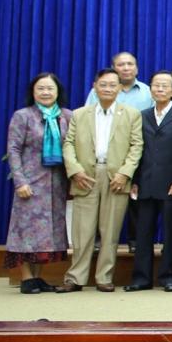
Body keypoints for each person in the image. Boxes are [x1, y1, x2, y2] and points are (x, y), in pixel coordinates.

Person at [58, 68, 144, 292]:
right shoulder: (79, 114)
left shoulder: (131, 114)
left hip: (116, 177)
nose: (107, 89)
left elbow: (137, 146)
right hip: (85, 176)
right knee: (82, 231)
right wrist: (75, 170)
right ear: (95, 87)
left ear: (119, 88)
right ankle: (75, 277)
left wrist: (125, 173)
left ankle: (104, 277)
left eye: (112, 85)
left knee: (111, 231)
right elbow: (68, 144)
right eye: (103, 84)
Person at [126, 71, 172, 292]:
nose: (160, 89)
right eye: (156, 85)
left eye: (165, 86)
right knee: (142, 234)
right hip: (145, 183)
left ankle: (170, 277)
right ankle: (141, 278)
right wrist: (134, 180)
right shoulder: (141, 115)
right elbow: (135, 149)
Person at [5, 73, 72, 294]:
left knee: (47, 233)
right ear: (33, 92)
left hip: (57, 184)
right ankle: (26, 278)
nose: (45, 92)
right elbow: (13, 150)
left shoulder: (66, 116)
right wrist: (20, 181)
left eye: (50, 89)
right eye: (41, 89)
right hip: (30, 182)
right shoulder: (23, 116)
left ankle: (38, 277)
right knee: (27, 231)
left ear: (57, 92)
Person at [85, 51, 153, 111]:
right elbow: (88, 116)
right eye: (121, 65)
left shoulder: (148, 92)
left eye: (130, 64)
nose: (126, 68)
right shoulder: (98, 90)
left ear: (137, 68)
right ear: (113, 69)